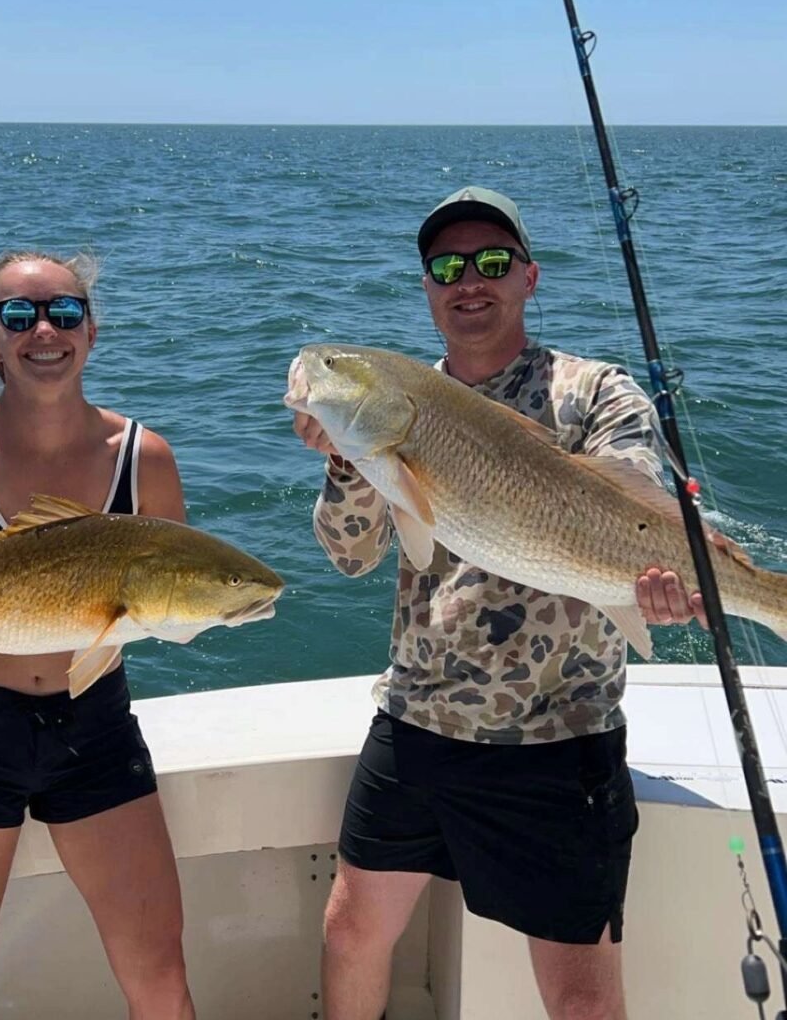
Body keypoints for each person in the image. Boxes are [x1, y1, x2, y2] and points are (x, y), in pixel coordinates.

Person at [292, 187, 707, 1020]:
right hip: (418, 721)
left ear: (529, 278)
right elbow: (348, 556)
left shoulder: (593, 391)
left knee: (580, 993)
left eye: (491, 262)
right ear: (427, 290)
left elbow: (642, 498)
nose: (467, 280)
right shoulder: (400, 410)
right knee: (349, 931)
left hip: (558, 736)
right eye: (447, 267)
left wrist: (660, 582)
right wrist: (346, 461)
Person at [0, 251, 195, 1020]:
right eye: (18, 317)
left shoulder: (144, 458)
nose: (45, 330)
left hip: (94, 725)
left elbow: (176, 600)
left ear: (92, 331)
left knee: (159, 975)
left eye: (65, 311)